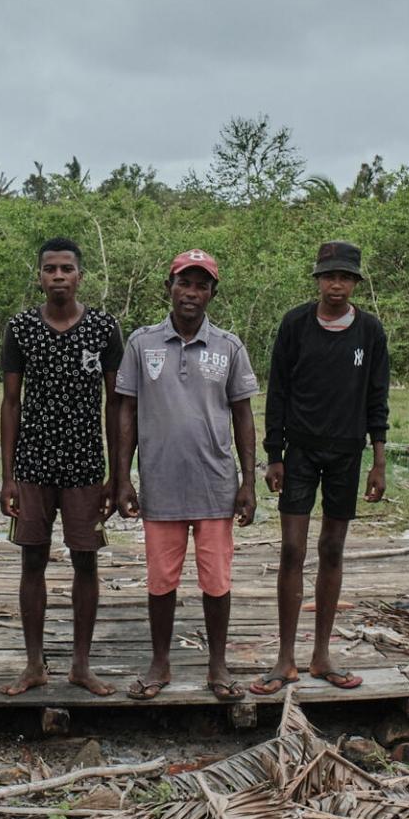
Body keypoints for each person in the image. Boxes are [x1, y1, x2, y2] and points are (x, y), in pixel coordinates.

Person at [113, 248, 260, 701]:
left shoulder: (229, 346)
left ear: (213, 292)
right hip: (160, 482)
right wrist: (122, 478)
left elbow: (243, 415)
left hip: (215, 483)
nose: (190, 293)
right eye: (183, 282)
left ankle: (218, 665)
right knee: (161, 579)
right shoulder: (142, 343)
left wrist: (248, 482)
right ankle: (159, 663)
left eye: (201, 285)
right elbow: (126, 411)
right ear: (168, 287)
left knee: (216, 579)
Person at [253, 240, 391, 696]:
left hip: (347, 453)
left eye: (346, 277)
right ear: (317, 279)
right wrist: (275, 454)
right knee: (292, 550)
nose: (337, 285)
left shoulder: (369, 331)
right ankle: (284, 659)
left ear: (355, 282)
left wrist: (379, 460)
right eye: (329, 276)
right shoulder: (295, 324)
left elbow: (377, 398)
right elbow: (277, 392)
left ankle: (321, 655)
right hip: (301, 452)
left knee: (332, 548)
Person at [0, 236, 124, 696]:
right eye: (49, 269)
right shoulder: (22, 328)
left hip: (86, 466)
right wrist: (8, 475)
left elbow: (117, 405)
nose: (57, 276)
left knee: (85, 561)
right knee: (32, 560)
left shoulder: (104, 328)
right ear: (39, 276)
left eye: (66, 269)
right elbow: (10, 402)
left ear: (79, 276)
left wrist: (118, 474)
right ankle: (34, 664)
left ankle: (81, 665)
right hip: (33, 463)